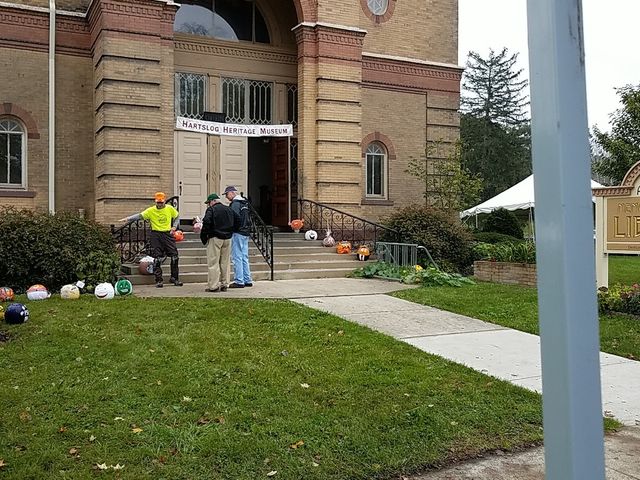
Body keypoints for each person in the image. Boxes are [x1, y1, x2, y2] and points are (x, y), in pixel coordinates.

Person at [119, 192, 183, 288]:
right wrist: (128, 219)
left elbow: (177, 216)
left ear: (164, 201)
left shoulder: (170, 209)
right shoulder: (151, 210)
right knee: (157, 258)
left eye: (161, 202)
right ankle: (159, 280)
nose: (160, 204)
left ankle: (174, 278)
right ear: (155, 202)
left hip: (167, 234)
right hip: (156, 234)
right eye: (158, 202)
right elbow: (140, 216)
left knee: (175, 257)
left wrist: (174, 227)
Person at [201, 193, 236, 292]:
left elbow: (206, 222)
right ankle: (225, 283)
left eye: (209, 203)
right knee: (225, 262)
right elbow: (237, 220)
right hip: (227, 238)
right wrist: (230, 231)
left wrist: (204, 236)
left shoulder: (211, 210)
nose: (208, 205)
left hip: (215, 237)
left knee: (213, 262)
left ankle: (214, 285)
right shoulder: (229, 209)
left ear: (213, 201)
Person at [224, 185, 253, 288]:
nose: (226, 197)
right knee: (244, 256)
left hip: (238, 232)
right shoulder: (244, 203)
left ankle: (239, 280)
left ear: (232, 193)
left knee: (237, 257)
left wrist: (231, 229)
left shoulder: (235, 204)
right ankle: (247, 279)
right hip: (245, 232)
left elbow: (234, 218)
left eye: (227, 194)